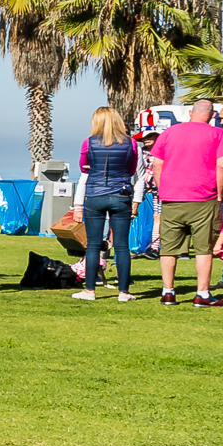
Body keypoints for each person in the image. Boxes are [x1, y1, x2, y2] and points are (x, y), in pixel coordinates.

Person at [150, 100, 223, 307]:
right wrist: (220, 194)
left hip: (172, 199)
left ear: (189, 112)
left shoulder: (168, 133)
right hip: (204, 198)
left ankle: (168, 292)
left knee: (168, 248)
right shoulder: (219, 134)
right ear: (213, 115)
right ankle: (202, 294)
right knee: (204, 248)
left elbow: (157, 163)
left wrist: (163, 189)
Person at [71, 106, 139, 302]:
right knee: (122, 245)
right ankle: (124, 292)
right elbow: (132, 170)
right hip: (121, 195)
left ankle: (89, 290)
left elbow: (83, 168)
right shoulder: (131, 144)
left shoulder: (89, 142)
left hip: (95, 195)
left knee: (93, 245)